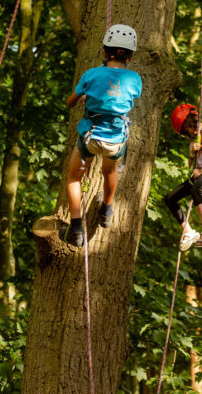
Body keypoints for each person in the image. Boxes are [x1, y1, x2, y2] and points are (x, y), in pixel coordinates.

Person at [64, 24, 143, 248]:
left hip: (90, 138)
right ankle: (107, 210)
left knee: (74, 178)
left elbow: (70, 103)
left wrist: (83, 98)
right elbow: (126, 98)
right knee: (108, 171)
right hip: (115, 140)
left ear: (104, 51)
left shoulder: (91, 74)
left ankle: (77, 227)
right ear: (131, 55)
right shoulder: (134, 79)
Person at [162, 104, 202, 251]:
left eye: (189, 126)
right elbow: (191, 164)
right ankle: (188, 231)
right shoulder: (194, 140)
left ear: (193, 119)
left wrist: (201, 170)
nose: (190, 131)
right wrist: (192, 153)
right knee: (170, 198)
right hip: (199, 174)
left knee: (196, 189)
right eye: (186, 130)